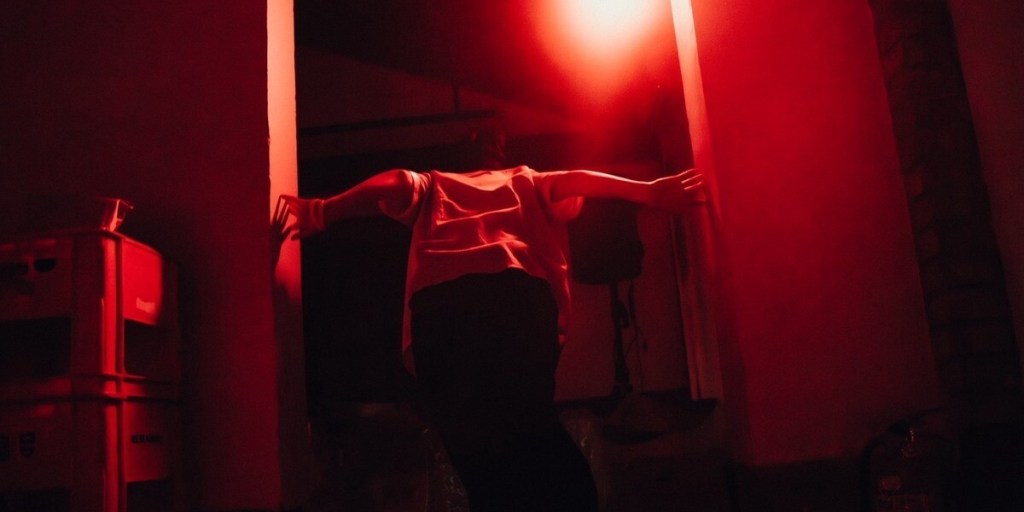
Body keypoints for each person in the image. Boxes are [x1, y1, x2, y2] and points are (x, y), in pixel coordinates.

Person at [281, 161, 704, 512]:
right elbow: (578, 180)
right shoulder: (527, 180)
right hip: (514, 298)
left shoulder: (435, 186)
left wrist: (323, 210)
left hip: (444, 309)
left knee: (473, 453)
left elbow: (394, 182)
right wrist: (649, 191)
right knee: (532, 426)